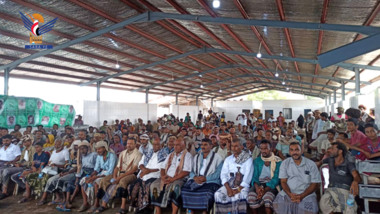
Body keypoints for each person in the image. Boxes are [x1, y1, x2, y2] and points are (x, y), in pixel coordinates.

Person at [96, 138, 142, 213]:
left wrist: (119, 178)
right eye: (128, 143)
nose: (129, 145)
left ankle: (123, 207)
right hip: (119, 173)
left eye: (131, 143)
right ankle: (103, 204)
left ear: (135, 144)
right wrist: (114, 177)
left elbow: (134, 169)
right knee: (104, 180)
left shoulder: (138, 154)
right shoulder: (122, 153)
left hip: (131, 174)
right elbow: (117, 167)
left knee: (123, 181)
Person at [273, 142, 321, 214]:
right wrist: (290, 194)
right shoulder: (285, 163)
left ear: (301, 151)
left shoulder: (311, 164)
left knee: (309, 210)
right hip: (289, 193)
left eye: (297, 150)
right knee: (278, 206)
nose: (294, 152)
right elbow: (283, 181)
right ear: (289, 152)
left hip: (307, 194)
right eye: (292, 150)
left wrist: (302, 195)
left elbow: (315, 183)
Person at [150, 137, 192, 214]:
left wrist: (173, 179)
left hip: (180, 178)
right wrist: (163, 177)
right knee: (154, 185)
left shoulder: (187, 155)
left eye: (178, 145)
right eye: (174, 145)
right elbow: (162, 167)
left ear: (183, 146)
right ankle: (158, 211)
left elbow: (186, 172)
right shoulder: (170, 155)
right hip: (167, 176)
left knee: (175, 187)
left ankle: (174, 212)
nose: (175, 147)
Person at [316, 142, 361, 214]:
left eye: (333, 149)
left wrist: (355, 182)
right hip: (331, 188)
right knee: (323, 204)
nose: (330, 150)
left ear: (340, 151)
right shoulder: (330, 159)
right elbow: (319, 163)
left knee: (349, 210)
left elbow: (356, 176)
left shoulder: (348, 162)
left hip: (344, 189)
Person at [181, 138, 223, 214]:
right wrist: (195, 177)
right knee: (185, 190)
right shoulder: (197, 157)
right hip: (196, 179)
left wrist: (205, 178)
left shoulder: (218, 158)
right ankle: (191, 210)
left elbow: (218, 174)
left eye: (205, 145)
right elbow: (191, 171)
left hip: (210, 181)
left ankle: (205, 211)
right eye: (202, 145)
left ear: (211, 146)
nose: (203, 147)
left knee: (207, 193)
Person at [127, 137, 168, 214]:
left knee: (146, 186)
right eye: (154, 144)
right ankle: (138, 206)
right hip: (144, 173)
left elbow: (161, 167)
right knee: (132, 186)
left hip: (154, 175)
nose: (155, 146)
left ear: (162, 145)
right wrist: (143, 169)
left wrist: (148, 171)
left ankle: (145, 208)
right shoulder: (149, 152)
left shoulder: (164, 155)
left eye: (157, 145)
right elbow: (141, 163)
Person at [214, 138, 253, 214]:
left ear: (241, 147)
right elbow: (223, 174)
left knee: (239, 196)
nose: (233, 148)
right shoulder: (228, 159)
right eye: (232, 146)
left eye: (236, 146)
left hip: (242, 186)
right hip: (229, 184)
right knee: (218, 194)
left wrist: (237, 190)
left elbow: (247, 177)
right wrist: (228, 189)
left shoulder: (248, 159)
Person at [57, 141, 97, 212]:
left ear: (88, 148)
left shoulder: (93, 155)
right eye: (80, 149)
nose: (82, 150)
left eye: (83, 148)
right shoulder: (83, 157)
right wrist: (77, 177)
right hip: (83, 173)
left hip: (91, 173)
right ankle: (67, 202)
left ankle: (80, 203)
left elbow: (97, 168)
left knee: (78, 184)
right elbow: (80, 168)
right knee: (69, 183)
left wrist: (91, 175)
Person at [77, 141, 117, 212]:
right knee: (83, 180)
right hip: (101, 173)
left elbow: (110, 171)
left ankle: (96, 203)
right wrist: (91, 176)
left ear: (105, 148)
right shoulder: (99, 156)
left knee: (96, 183)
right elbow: (96, 169)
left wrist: (95, 177)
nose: (97, 151)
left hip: (111, 175)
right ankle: (85, 203)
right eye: (97, 149)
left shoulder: (112, 156)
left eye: (99, 149)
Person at [248, 140, 282, 214]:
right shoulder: (257, 161)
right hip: (259, 184)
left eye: (266, 148)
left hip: (271, 185)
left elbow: (276, 179)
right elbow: (255, 176)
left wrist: (265, 190)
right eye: (262, 149)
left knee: (267, 199)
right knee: (251, 197)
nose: (263, 151)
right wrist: (257, 188)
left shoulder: (277, 161)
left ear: (271, 149)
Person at [36, 138, 70, 206]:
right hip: (52, 169)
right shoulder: (54, 151)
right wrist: (49, 165)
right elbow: (50, 161)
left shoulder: (65, 151)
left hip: (60, 170)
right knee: (40, 176)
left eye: (58, 144)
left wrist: (56, 165)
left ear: (62, 145)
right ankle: (55, 197)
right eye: (56, 143)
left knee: (48, 178)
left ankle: (44, 198)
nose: (56, 145)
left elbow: (67, 165)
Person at [0, 134, 22, 199]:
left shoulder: (15, 147)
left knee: (4, 171)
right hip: (1, 162)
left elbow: (18, 157)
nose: (5, 142)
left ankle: (5, 191)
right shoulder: (2, 148)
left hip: (10, 163)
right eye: (4, 141)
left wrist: (11, 162)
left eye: (7, 140)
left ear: (10, 140)